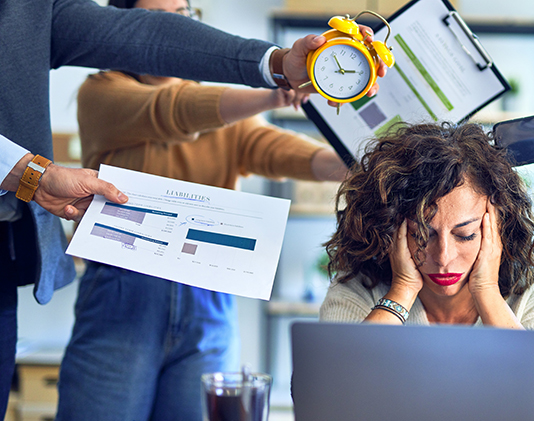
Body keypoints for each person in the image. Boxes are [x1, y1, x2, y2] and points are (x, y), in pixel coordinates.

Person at [0, 0, 385, 416]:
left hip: (208, 297)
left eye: (183, 15)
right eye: (154, 16)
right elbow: (172, 110)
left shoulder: (226, 109)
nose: (172, 27)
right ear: (122, 22)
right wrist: (274, 95)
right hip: (123, 293)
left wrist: (367, 160)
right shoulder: (102, 92)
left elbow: (285, 152)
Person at [319, 123, 534, 421]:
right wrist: (400, 292)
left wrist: (487, 292)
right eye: (421, 235)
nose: (443, 259)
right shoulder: (359, 288)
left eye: (465, 235)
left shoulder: (531, 290)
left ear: (497, 227)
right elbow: (323, 399)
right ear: (390, 228)